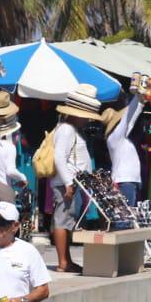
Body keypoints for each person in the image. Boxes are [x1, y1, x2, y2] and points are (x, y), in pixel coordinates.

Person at [50, 84, 101, 273]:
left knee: (66, 220)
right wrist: (68, 183)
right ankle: (63, 261)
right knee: (62, 220)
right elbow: (59, 157)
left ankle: (66, 260)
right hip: (66, 183)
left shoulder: (68, 128)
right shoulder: (66, 130)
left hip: (69, 182)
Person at [102, 97, 143, 206]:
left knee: (127, 216)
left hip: (128, 181)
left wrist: (141, 103)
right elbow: (127, 118)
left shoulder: (119, 137)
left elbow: (131, 120)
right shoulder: (115, 137)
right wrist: (137, 97)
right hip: (125, 182)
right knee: (124, 218)